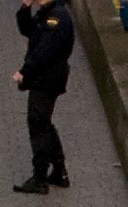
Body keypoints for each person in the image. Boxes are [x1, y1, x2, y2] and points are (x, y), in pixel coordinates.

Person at [12, 0, 76, 195]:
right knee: (44, 123)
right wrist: (25, 8)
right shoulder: (47, 12)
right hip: (46, 77)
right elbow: (28, 30)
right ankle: (59, 171)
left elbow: (44, 51)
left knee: (38, 123)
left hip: (47, 78)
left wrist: (25, 71)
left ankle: (40, 178)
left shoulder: (57, 16)